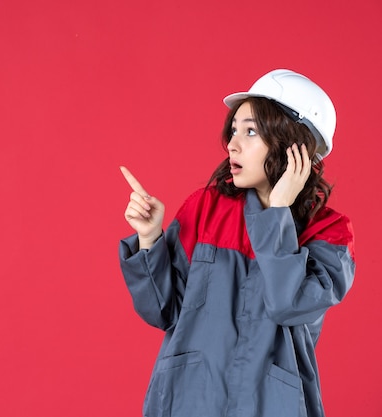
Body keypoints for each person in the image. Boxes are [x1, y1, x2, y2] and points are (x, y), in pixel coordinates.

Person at [118, 69, 355, 417]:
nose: (233, 144)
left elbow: (287, 305)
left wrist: (277, 214)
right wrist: (150, 237)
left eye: (251, 131)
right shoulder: (206, 208)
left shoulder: (330, 232)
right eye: (234, 130)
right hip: (190, 400)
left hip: (271, 404)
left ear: (294, 144)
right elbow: (162, 311)